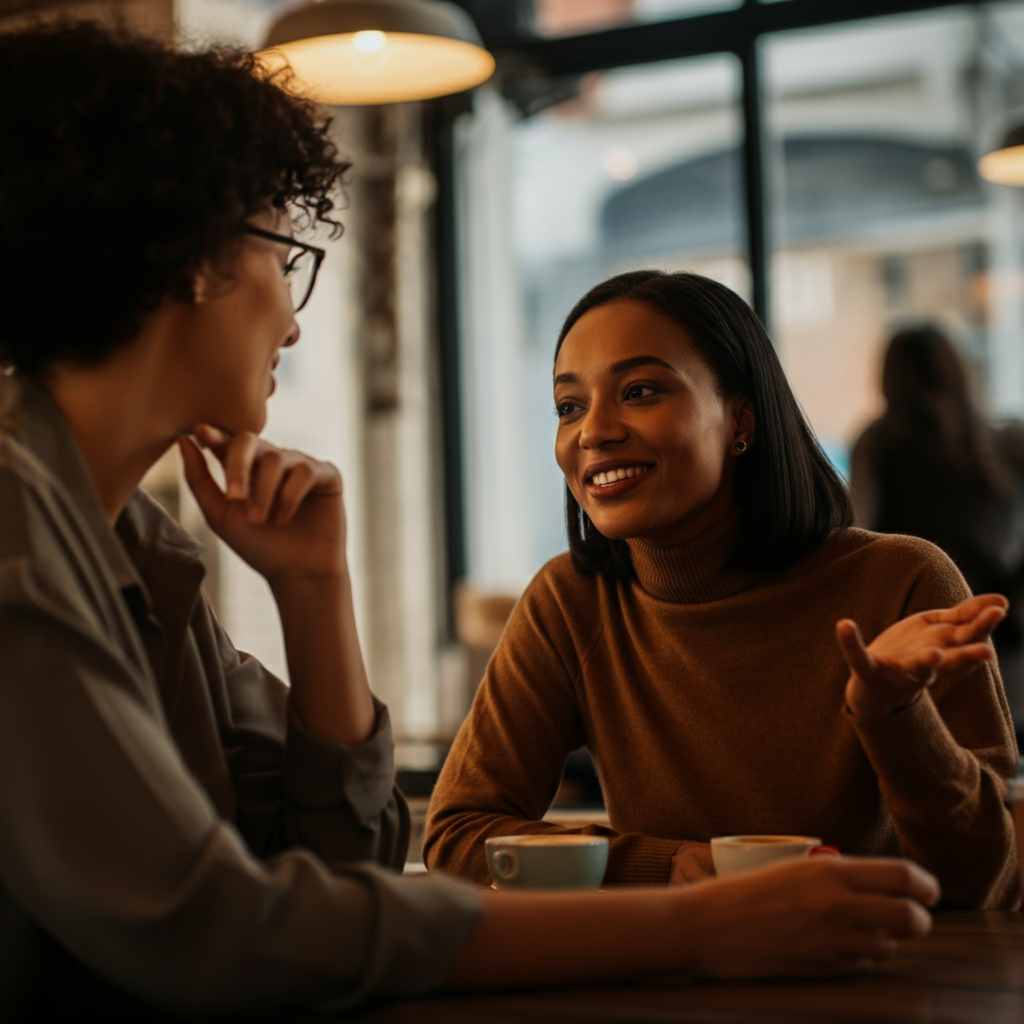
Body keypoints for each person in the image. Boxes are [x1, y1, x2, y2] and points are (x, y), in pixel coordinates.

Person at [0, 23, 944, 1018]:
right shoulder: (20, 545)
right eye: (284, 253)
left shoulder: (143, 558)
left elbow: (342, 864)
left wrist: (316, 590)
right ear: (195, 257)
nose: (293, 318)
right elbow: (215, 927)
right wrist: (698, 924)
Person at [425, 271, 1021, 911]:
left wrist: (896, 718)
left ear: (741, 418)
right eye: (569, 406)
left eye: (639, 391)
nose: (592, 431)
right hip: (669, 984)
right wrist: (664, 864)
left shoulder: (901, 581)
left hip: (878, 980)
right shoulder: (570, 602)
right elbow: (459, 834)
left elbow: (986, 883)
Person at [851, 325, 1024, 745]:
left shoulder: (879, 445)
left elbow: (857, 538)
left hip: (924, 642)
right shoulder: (1007, 442)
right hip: (1007, 637)